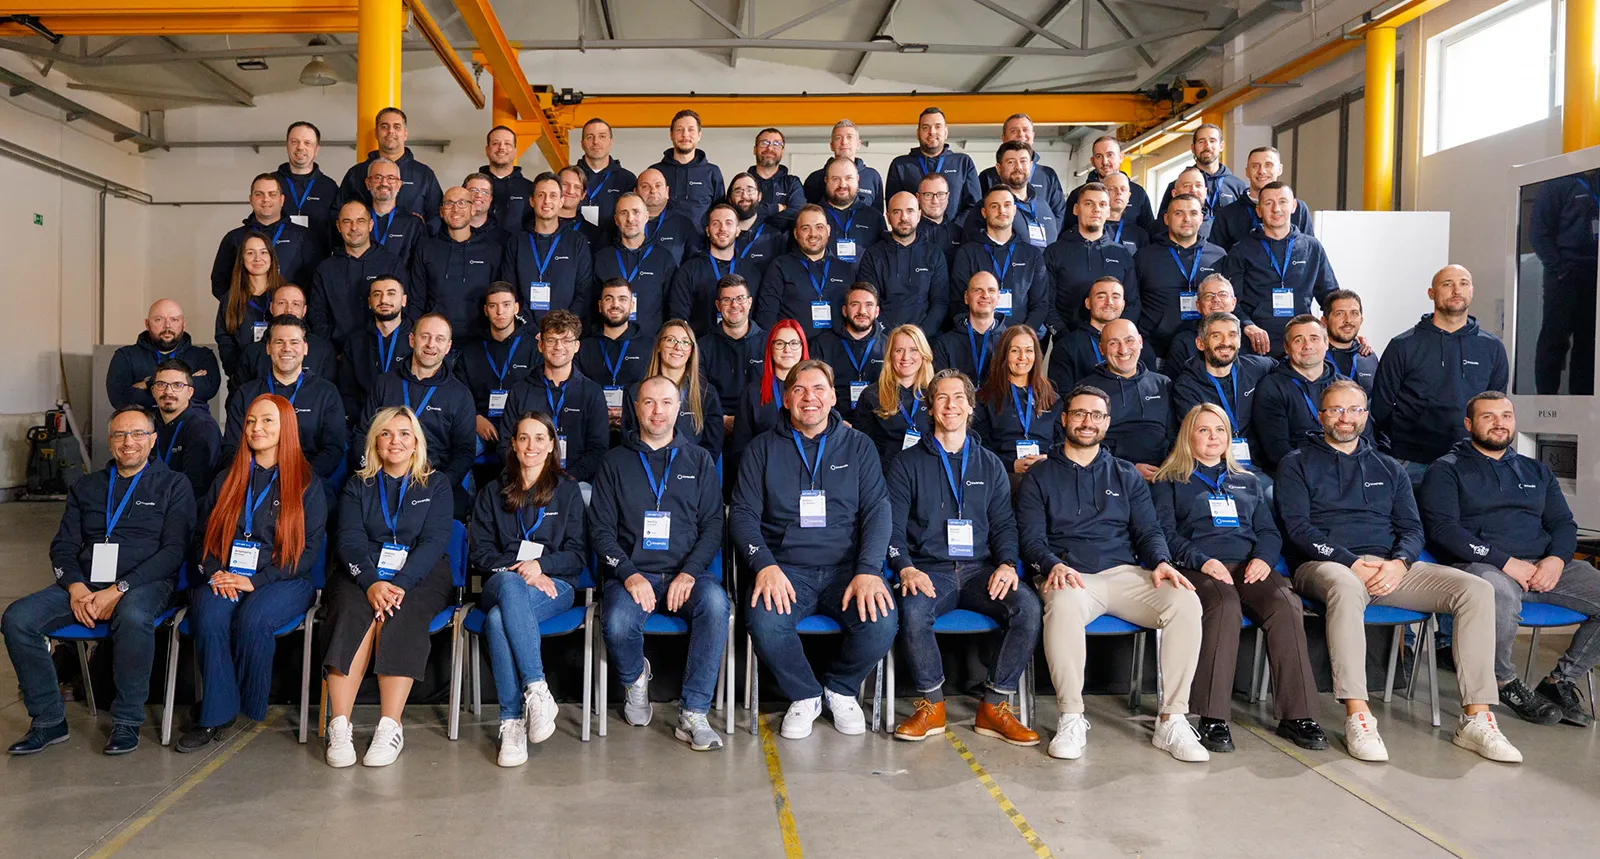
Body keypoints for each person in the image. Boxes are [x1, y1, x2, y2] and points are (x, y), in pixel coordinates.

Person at [1278, 380, 1522, 763]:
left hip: (1390, 567)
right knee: (1344, 584)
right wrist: (1350, 561)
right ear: (1321, 415)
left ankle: (1477, 717)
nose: (1345, 418)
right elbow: (1298, 529)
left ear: (1366, 415)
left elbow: (1412, 528)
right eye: (1336, 410)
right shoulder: (1296, 463)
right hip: (1324, 565)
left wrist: (1400, 562)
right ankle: (1358, 715)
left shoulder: (1389, 467)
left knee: (1475, 589)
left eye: (1354, 410)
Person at [1016, 385, 1208, 762]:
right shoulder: (1039, 477)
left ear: (1107, 423)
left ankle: (1172, 720)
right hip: (1069, 575)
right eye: (1080, 414)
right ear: (1065, 419)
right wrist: (1052, 565)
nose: (1088, 422)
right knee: (1065, 604)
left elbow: (1149, 530)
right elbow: (1031, 540)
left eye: (1097, 415)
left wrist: (1162, 562)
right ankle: (1072, 717)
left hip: (1124, 573)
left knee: (1185, 602)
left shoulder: (1125, 474)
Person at [4, 407, 194, 756]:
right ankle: (48, 721)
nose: (128, 442)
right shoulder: (87, 486)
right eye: (120, 435)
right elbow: (63, 547)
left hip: (146, 583)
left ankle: (126, 721)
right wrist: (76, 587)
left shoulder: (174, 485)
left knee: (134, 615)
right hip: (86, 584)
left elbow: (174, 551)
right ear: (110, 441)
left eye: (138, 434)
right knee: (17, 619)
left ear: (153, 440)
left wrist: (117, 590)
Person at [732, 359, 896, 739]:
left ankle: (840, 688)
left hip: (847, 571)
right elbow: (741, 515)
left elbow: (877, 510)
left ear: (833, 397)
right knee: (765, 622)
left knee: (882, 621)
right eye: (800, 390)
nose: (810, 398)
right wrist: (764, 566)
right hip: (786, 570)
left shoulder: (859, 446)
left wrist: (869, 569)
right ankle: (804, 695)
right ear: (787, 399)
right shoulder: (762, 449)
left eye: (819, 389)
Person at [1150, 403, 1327, 752]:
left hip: (1248, 565)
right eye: (1204, 430)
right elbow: (1164, 533)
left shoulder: (1247, 481)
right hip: (1197, 567)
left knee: (1284, 603)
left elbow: (1268, 531)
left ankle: (1298, 714)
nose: (1213, 437)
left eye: (1220, 430)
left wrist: (1263, 558)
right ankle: (1213, 717)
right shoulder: (1169, 481)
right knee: (1224, 605)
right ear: (1189, 435)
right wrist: (1202, 561)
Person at [1419, 392, 1600, 727]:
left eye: (1506, 416)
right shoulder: (1445, 470)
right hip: (1482, 566)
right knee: (1496, 592)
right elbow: (1444, 531)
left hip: (1541, 566)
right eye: (1489, 417)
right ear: (1469, 424)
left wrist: (1556, 561)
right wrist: (1506, 562)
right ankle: (1503, 681)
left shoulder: (1536, 470)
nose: (1499, 423)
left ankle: (1561, 681)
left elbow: (1562, 524)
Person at [888, 368, 1041, 744]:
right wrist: (905, 568)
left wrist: (1007, 564)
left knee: (1028, 607)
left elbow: (1005, 524)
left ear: (971, 406)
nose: (950, 405)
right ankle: (932, 705)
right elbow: (890, 529)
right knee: (911, 610)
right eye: (942, 397)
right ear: (930, 407)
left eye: (959, 397)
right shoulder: (906, 463)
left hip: (980, 571)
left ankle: (993, 706)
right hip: (929, 570)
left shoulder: (989, 464)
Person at [177, 394, 325, 753]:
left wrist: (255, 581)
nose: (257, 428)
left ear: (286, 427)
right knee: (210, 615)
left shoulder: (306, 483)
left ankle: (241, 702)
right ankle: (215, 715)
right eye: (251, 421)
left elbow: (306, 553)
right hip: (225, 574)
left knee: (253, 617)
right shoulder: (228, 478)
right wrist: (214, 573)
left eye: (268, 421)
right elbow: (202, 537)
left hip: (284, 579)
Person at [594, 376, 728, 750]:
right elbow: (601, 531)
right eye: (649, 402)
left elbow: (713, 526)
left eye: (666, 403)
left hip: (686, 574)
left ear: (678, 409)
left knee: (716, 606)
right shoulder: (615, 462)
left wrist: (689, 573)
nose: (657, 411)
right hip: (631, 573)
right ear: (636, 408)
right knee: (618, 622)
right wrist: (628, 574)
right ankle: (636, 679)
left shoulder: (699, 460)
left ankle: (694, 714)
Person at [322, 406, 454, 767]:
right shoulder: (357, 484)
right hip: (362, 571)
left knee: (401, 611)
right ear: (375, 442)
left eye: (404, 434)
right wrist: (370, 582)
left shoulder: (436, 484)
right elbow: (348, 539)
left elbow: (435, 542)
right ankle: (340, 725)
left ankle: (389, 726)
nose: (395, 441)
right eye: (386, 433)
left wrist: (399, 584)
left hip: (420, 574)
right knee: (349, 611)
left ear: (416, 444)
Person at [465, 411, 588, 767]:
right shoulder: (492, 492)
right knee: (507, 584)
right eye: (523, 438)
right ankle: (536, 687)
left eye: (539, 438)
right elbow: (481, 554)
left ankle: (511, 722)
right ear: (513, 445)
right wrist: (523, 570)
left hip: (555, 585)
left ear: (552, 445)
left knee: (499, 620)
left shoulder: (568, 493)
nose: (531, 445)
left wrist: (542, 567)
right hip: (502, 580)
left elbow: (577, 555)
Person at [1374, 265, 1509, 481]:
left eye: (1463, 283)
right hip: (1411, 461)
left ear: (1472, 291)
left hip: (1470, 461)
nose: (1457, 290)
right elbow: (1380, 408)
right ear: (1431, 293)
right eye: (1447, 284)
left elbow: (1495, 408)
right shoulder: (1403, 345)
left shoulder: (1492, 348)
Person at [359, 314, 476, 517]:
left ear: (448, 347)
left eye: (439, 339)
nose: (431, 344)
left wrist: (441, 484)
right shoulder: (385, 383)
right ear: (412, 340)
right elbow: (362, 433)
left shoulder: (460, 394)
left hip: (433, 479)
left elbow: (464, 451)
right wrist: (373, 474)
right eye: (425, 336)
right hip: (383, 477)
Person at [223, 316, 347, 497]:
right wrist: (259, 478)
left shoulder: (326, 392)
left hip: (307, 484)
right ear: (268, 348)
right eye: (279, 342)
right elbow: (230, 448)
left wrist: (299, 478)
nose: (286, 348)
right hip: (254, 485)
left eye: (294, 342)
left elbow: (333, 448)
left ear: (305, 349)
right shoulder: (246, 393)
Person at [1223, 182, 1338, 355]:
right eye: (1268, 203)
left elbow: (1330, 296)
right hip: (1256, 345)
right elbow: (1231, 301)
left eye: (1283, 201)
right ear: (1259, 210)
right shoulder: (1241, 250)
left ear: (1293, 206)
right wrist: (1248, 325)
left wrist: (1345, 332)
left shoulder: (1312, 247)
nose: (1276, 209)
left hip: (1301, 343)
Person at [500, 310, 610, 491]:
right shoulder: (520, 390)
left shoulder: (592, 392)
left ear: (577, 346)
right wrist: (530, 475)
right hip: (527, 479)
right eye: (551, 340)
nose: (559, 347)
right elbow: (506, 443)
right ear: (541, 345)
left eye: (566, 340)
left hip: (576, 483)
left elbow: (598, 448)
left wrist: (567, 480)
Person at [1254, 314, 1371, 473]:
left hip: (1347, 468)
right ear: (1286, 348)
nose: (1307, 345)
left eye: (1314, 338)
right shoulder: (1272, 386)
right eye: (1298, 340)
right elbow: (1276, 448)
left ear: (1326, 343)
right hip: (1297, 472)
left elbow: (1366, 436)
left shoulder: (1346, 387)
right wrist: (1318, 473)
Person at [1172, 312, 1276, 473]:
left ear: (1240, 341)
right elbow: (1196, 440)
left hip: (1255, 466)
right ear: (1200, 343)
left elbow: (1293, 370)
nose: (1226, 342)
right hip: (1212, 468)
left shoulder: (1257, 368)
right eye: (1216, 336)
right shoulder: (1186, 386)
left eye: (1232, 335)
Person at [1134, 193, 1227, 359]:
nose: (1186, 219)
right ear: (1166, 218)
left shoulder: (1218, 256)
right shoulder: (1144, 257)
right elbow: (1133, 302)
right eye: (1178, 213)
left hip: (1206, 352)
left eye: (1192, 213)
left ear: (1201, 218)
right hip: (1157, 351)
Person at [1081, 319, 1176, 478]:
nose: (1123, 350)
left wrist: (1168, 468)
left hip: (1163, 474)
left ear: (1140, 341)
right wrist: (1129, 469)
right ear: (1101, 349)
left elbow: (1176, 436)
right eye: (1113, 343)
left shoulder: (1163, 384)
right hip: (1108, 475)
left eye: (1129, 340)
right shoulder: (1087, 391)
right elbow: (1084, 445)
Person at [502, 172, 595, 328]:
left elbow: (584, 293)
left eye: (553, 196)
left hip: (565, 334)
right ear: (531, 201)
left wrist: (564, 328)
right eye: (541, 195)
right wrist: (530, 329)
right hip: (525, 332)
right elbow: (510, 292)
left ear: (561, 201)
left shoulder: (577, 241)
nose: (547, 201)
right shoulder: (517, 242)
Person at [950, 186, 1049, 332]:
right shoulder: (967, 253)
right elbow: (958, 301)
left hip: (1019, 342)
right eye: (994, 206)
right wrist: (977, 333)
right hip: (979, 339)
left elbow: (1040, 304)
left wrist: (1023, 335)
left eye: (1007, 205)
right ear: (984, 212)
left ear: (1014, 210)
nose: (1001, 211)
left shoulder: (1032, 254)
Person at [454, 283, 539, 451]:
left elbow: (539, 395)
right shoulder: (471, 351)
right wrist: (475, 418)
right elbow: (459, 393)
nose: (500, 312)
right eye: (493, 306)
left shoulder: (534, 348)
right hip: (481, 425)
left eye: (506, 305)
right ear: (486, 310)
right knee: (460, 450)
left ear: (516, 308)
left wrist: (520, 427)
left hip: (522, 427)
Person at [411, 186, 504, 338]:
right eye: (449, 203)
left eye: (462, 203)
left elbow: (497, 298)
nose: (455, 209)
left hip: (478, 341)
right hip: (435, 340)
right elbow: (416, 298)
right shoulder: (426, 248)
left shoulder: (492, 250)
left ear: (473, 209)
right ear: (441, 212)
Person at [209, 173, 321, 300]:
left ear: (282, 199)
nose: (266, 199)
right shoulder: (234, 238)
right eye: (259, 194)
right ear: (251, 199)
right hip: (246, 316)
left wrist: (296, 307)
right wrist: (240, 306)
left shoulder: (303, 236)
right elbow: (219, 282)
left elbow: (316, 280)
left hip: (290, 315)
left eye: (272, 194)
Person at [309, 201, 405, 348]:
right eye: (347, 222)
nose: (354, 228)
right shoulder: (325, 269)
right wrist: (329, 350)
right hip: (338, 353)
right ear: (338, 226)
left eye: (360, 221)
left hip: (383, 351)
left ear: (370, 225)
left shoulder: (392, 263)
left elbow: (404, 309)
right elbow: (318, 315)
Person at [1045, 182, 1138, 333]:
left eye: (1102, 204)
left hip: (1113, 344)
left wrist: (1118, 334)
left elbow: (1132, 303)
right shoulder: (1055, 252)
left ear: (1108, 211)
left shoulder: (1122, 254)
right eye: (1089, 203)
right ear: (1076, 209)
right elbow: (1046, 302)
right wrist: (1063, 335)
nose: (1096, 210)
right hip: (1069, 341)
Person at [621, 321, 724, 456]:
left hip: (691, 472)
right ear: (658, 346)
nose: (678, 347)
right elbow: (629, 439)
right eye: (670, 340)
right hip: (645, 470)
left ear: (692, 350)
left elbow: (712, 448)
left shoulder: (707, 393)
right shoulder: (635, 391)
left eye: (685, 342)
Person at [754, 205, 854, 343]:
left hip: (836, 352)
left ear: (828, 230)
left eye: (819, 227)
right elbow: (767, 316)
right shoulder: (780, 266)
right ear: (795, 234)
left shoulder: (846, 269)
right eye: (805, 228)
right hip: (794, 353)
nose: (813, 234)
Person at [974, 325, 1061, 477]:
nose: (1022, 357)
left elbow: (1063, 444)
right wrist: (1010, 464)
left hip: (1047, 474)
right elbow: (980, 447)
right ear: (1003, 354)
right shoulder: (984, 398)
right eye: (1015, 350)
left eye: (1029, 350)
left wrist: (1047, 459)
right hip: (1003, 474)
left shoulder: (1052, 398)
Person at [857, 191, 948, 333]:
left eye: (910, 211)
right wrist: (890, 336)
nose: (903, 218)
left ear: (919, 215)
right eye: (896, 212)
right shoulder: (873, 255)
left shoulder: (934, 254)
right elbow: (870, 303)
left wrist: (920, 336)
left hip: (925, 339)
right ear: (888, 217)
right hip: (884, 338)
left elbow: (940, 303)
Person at [107, 299, 221, 409]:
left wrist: (148, 384)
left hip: (190, 426)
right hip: (144, 427)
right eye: (159, 320)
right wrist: (186, 383)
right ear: (147, 324)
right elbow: (120, 399)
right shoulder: (125, 356)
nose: (167, 326)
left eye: (174, 320)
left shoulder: (203, 356)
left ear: (183, 324)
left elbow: (208, 389)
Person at [337, 107, 443, 226]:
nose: (390, 131)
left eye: (397, 127)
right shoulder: (356, 173)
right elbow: (339, 212)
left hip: (412, 244)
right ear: (376, 133)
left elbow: (437, 214)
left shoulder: (423, 174)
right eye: (384, 126)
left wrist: (422, 234)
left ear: (405, 134)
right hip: (366, 244)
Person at [1046, 277, 1153, 394]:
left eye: (1115, 297)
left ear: (1123, 304)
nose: (1109, 302)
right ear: (1088, 303)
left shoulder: (1139, 346)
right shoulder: (1067, 346)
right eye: (1101, 296)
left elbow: (1152, 389)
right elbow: (1060, 398)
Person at [594, 192, 678, 340]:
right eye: (623, 213)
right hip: (607, 344)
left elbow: (672, 306)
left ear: (646, 217)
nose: (630, 219)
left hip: (651, 344)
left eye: (636, 212)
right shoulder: (602, 258)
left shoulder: (663, 258)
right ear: (616, 220)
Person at [853, 324, 936, 472]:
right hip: (886, 475)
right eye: (899, 350)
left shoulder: (936, 393)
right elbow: (863, 449)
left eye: (913, 350)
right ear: (890, 355)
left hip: (928, 474)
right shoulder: (871, 395)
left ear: (923, 354)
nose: (906, 357)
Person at [730, 320, 809, 467]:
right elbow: (740, 449)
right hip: (765, 473)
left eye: (794, 343)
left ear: (802, 347)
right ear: (770, 349)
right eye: (780, 343)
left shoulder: (816, 392)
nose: (787, 349)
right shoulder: (752, 393)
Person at [670, 201, 752, 337]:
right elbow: (678, 318)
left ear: (738, 231)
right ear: (708, 231)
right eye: (716, 223)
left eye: (728, 223)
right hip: (701, 350)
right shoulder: (688, 270)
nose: (722, 229)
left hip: (743, 349)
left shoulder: (751, 272)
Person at [577, 278, 650, 430]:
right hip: (590, 426)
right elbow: (577, 390)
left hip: (636, 428)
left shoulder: (650, 346)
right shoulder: (583, 346)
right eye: (609, 299)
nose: (615, 304)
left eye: (622, 299)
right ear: (599, 306)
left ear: (632, 305)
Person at [336, 275, 412, 420]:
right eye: (377, 294)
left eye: (391, 293)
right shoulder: (355, 341)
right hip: (365, 423)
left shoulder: (416, 339)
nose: (384, 300)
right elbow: (347, 390)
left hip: (408, 423)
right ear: (370, 302)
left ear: (403, 300)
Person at [698, 275, 766, 435]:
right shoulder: (702, 346)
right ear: (718, 305)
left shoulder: (770, 343)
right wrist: (721, 420)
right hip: (715, 427)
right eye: (727, 300)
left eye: (740, 298)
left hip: (761, 428)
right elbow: (697, 392)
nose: (734, 305)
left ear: (750, 302)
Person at [1209, 146, 1312, 251]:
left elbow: (1308, 251)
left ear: (1280, 169)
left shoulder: (1297, 209)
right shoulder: (1227, 214)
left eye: (1268, 165)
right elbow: (1217, 257)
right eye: (1255, 166)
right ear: (1247, 171)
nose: (1261, 171)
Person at [214, 234, 285, 388]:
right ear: (242, 259)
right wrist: (235, 373)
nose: (257, 258)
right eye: (250, 253)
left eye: (263, 252)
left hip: (282, 379)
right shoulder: (230, 298)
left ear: (272, 257)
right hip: (243, 381)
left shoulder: (285, 293)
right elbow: (224, 340)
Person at [886, 108, 981, 218]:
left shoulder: (963, 162)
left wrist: (952, 230)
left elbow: (974, 205)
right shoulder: (900, 165)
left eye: (938, 126)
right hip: (915, 234)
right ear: (918, 133)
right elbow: (894, 207)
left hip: (955, 234)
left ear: (945, 132)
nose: (932, 132)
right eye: (926, 127)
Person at [978, 114, 1068, 227]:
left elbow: (1059, 213)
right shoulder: (988, 176)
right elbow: (980, 212)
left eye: (1025, 130)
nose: (1021, 134)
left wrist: (1050, 239)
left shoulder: (1048, 175)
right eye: (1014, 131)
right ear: (1003, 138)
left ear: (1033, 135)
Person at [150, 360, 222, 498]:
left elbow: (199, 487)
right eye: (161, 385)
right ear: (153, 391)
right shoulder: (147, 425)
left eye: (178, 385)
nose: (168, 391)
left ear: (190, 392)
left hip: (189, 509)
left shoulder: (203, 428)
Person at [239, 283, 336, 384]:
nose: (288, 310)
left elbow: (330, 394)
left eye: (296, 304)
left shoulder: (323, 349)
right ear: (271, 308)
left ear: (304, 310)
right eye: (281, 303)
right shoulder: (252, 352)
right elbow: (239, 395)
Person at [811, 283, 885, 410]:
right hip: (834, 422)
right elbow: (814, 389)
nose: (862, 311)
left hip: (878, 422)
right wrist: (835, 421)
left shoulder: (889, 345)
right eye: (855, 304)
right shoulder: (822, 344)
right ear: (845, 311)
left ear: (877, 311)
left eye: (869, 305)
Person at [1065, 134, 1157, 234]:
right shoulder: (1078, 194)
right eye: (1099, 156)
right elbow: (1067, 232)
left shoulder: (1137, 193)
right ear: (1092, 161)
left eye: (1110, 155)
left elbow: (1149, 231)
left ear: (1121, 157)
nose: (1105, 161)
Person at [1163, 273, 1256, 370]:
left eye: (1223, 294)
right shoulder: (1183, 341)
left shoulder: (1251, 338)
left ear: (1234, 303)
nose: (1216, 299)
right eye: (1208, 296)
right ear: (1198, 305)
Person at [1156, 124, 1249, 220]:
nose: (1207, 146)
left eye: (1212, 141)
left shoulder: (1239, 187)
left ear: (1221, 146)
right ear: (1193, 148)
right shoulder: (1178, 186)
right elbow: (1163, 224)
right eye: (1201, 141)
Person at [652, 109, 724, 227]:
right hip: (661, 244)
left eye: (691, 130)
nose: (685, 134)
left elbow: (720, 213)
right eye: (679, 130)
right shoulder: (656, 172)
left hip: (701, 244)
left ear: (699, 135)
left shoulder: (712, 172)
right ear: (671, 134)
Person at [932, 270, 1006, 381]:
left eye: (991, 290)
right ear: (966, 297)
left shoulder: (1010, 341)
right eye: (977, 290)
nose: (985, 295)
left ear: (998, 298)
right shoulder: (944, 344)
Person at [276, 120, 341, 240]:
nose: (300, 147)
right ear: (287, 146)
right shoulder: (271, 183)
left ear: (316, 149)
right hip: (278, 257)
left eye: (307, 143)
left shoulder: (329, 187)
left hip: (319, 258)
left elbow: (337, 229)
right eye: (294, 142)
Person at [988, 140, 1059, 247]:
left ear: (1031, 166)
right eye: (1011, 162)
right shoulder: (989, 207)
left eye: (1023, 161)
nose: (1018, 167)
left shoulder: (1043, 205)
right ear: (998, 168)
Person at [803, 119, 884, 210]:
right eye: (838, 138)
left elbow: (877, 216)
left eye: (849, 137)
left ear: (858, 144)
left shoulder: (872, 177)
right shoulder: (814, 179)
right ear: (831, 145)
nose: (844, 142)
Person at [360, 158, 429, 265]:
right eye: (378, 177)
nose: (384, 183)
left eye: (391, 178)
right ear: (368, 183)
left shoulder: (413, 224)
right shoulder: (356, 221)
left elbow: (420, 268)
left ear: (399, 184)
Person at [818, 156, 887, 263]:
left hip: (865, 279)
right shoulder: (814, 217)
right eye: (835, 179)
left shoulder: (874, 217)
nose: (842, 184)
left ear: (857, 179)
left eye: (848, 178)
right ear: (826, 181)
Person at [575, 118, 638, 226]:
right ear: (582, 144)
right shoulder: (569, 178)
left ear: (611, 142)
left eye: (602, 136)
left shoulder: (627, 179)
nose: (596, 142)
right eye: (590, 137)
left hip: (613, 242)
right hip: (574, 242)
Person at [634, 167, 701, 265]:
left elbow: (693, 265)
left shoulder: (684, 224)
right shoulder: (627, 222)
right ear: (635, 192)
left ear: (667, 191)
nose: (653, 190)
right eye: (645, 186)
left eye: (658, 185)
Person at [1323, 289, 1377, 393]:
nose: (1348, 320)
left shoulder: (1369, 357)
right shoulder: (1314, 357)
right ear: (1324, 321)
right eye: (1339, 313)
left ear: (1361, 320)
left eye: (1354, 313)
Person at [481, 125, 533, 234]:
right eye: (495, 143)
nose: (502, 148)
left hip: (516, 250)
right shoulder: (472, 186)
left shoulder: (530, 188)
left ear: (515, 151)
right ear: (487, 150)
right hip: (477, 249)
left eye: (507, 144)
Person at [749, 127, 805, 218]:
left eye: (777, 144)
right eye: (764, 143)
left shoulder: (792, 183)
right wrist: (776, 208)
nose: (770, 148)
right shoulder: (742, 182)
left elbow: (797, 216)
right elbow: (738, 212)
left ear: (782, 152)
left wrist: (757, 212)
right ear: (755, 150)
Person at [915, 173, 965, 265]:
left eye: (941, 194)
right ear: (918, 198)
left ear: (948, 196)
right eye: (928, 195)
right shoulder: (910, 233)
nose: (935, 201)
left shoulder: (960, 233)